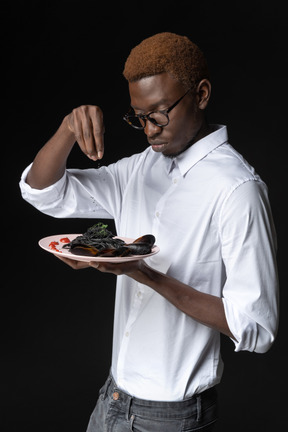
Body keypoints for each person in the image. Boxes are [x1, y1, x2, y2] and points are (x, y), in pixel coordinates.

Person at [20, 32, 279, 431]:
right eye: (138, 118)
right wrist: (68, 129)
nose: (149, 131)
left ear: (202, 94)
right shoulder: (141, 168)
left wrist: (143, 273)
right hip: (113, 397)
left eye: (158, 114)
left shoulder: (237, 190)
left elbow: (256, 328)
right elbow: (44, 192)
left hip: (170, 417)